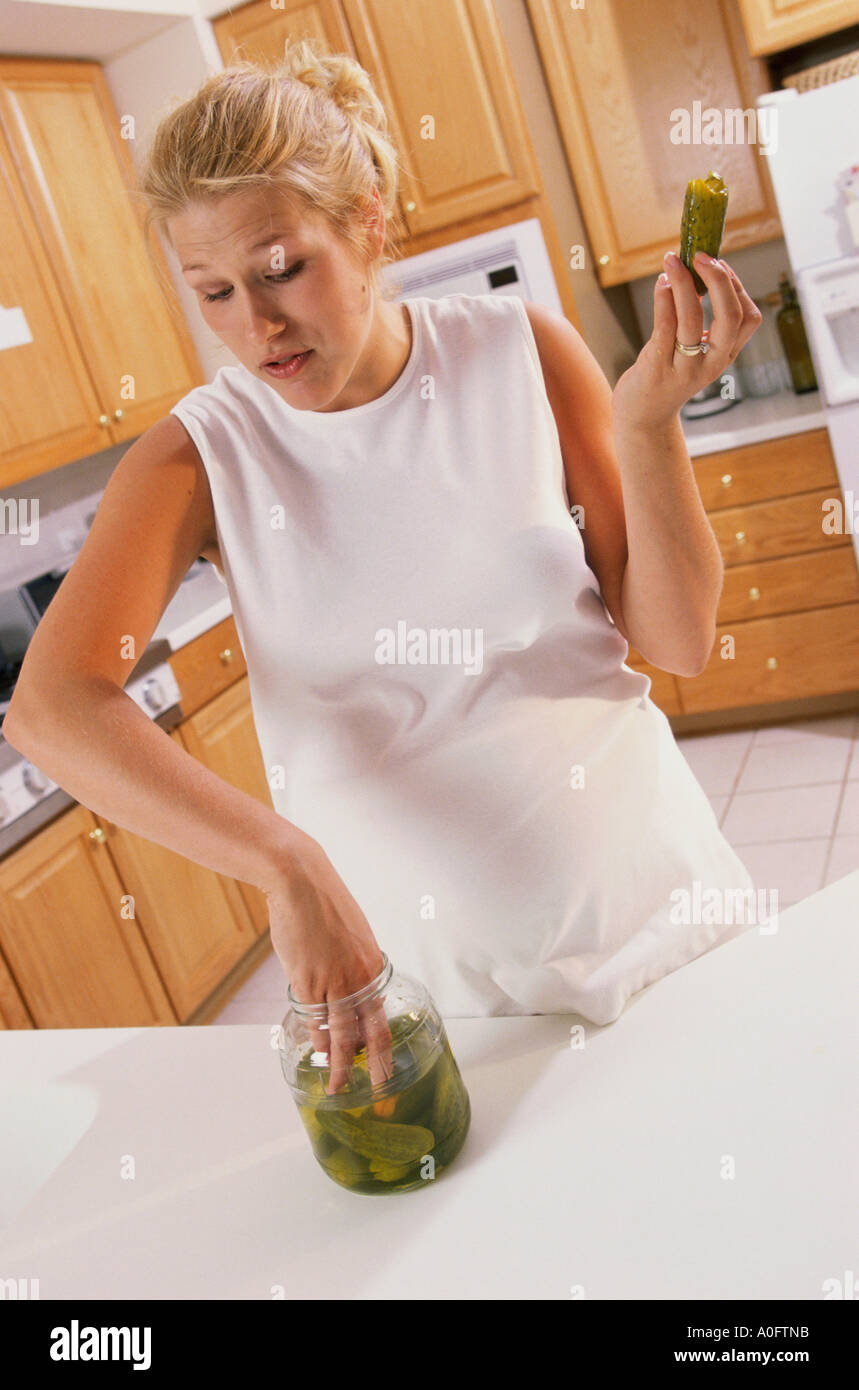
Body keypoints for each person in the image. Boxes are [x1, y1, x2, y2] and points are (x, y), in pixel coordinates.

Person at [5, 40, 763, 1086]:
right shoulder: (201, 454)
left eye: (281, 270)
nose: (257, 324)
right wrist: (286, 863)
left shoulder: (519, 350)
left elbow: (677, 639)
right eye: (212, 291)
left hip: (668, 914)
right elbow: (51, 708)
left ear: (365, 219)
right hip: (446, 1006)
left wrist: (647, 430)